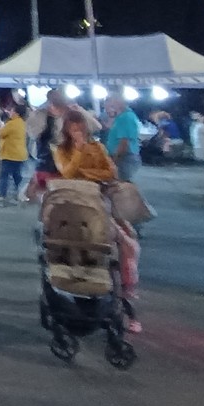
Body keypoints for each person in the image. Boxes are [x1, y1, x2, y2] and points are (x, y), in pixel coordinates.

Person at [52, 109, 141, 330]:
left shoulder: (98, 147)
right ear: (66, 129)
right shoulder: (61, 150)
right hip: (74, 204)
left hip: (100, 201)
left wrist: (86, 173)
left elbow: (110, 173)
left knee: (127, 241)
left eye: (80, 127)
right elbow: (68, 173)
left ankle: (126, 291)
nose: (78, 131)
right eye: (73, 127)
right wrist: (79, 153)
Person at [105, 96, 143, 183]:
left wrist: (114, 160)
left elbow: (124, 142)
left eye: (111, 102)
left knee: (120, 185)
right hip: (123, 157)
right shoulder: (122, 117)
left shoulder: (126, 118)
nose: (110, 105)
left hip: (124, 158)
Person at [0, 107, 29, 206]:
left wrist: (1, 126)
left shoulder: (11, 124)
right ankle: (21, 195)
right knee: (17, 176)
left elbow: (0, 134)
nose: (10, 112)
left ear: (16, 113)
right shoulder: (23, 123)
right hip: (20, 153)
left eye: (12, 111)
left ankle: (2, 198)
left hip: (9, 153)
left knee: (4, 176)